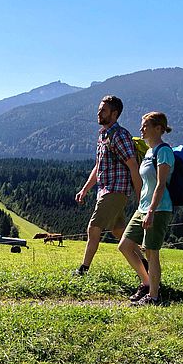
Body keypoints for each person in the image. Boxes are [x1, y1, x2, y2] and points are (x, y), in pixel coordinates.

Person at [73, 95, 143, 276]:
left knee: (93, 227)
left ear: (114, 113)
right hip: (105, 190)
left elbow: (133, 166)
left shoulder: (120, 135)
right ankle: (146, 264)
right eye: (99, 109)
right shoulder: (103, 135)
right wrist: (85, 189)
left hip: (116, 190)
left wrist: (140, 197)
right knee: (119, 231)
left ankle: (83, 269)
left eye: (103, 110)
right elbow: (98, 166)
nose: (98, 112)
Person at [119, 111, 174, 306]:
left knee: (151, 252)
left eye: (145, 126)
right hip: (143, 208)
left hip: (158, 209)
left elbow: (160, 185)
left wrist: (151, 211)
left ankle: (154, 296)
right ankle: (147, 283)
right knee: (125, 245)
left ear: (158, 129)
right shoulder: (149, 151)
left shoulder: (164, 151)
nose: (141, 129)